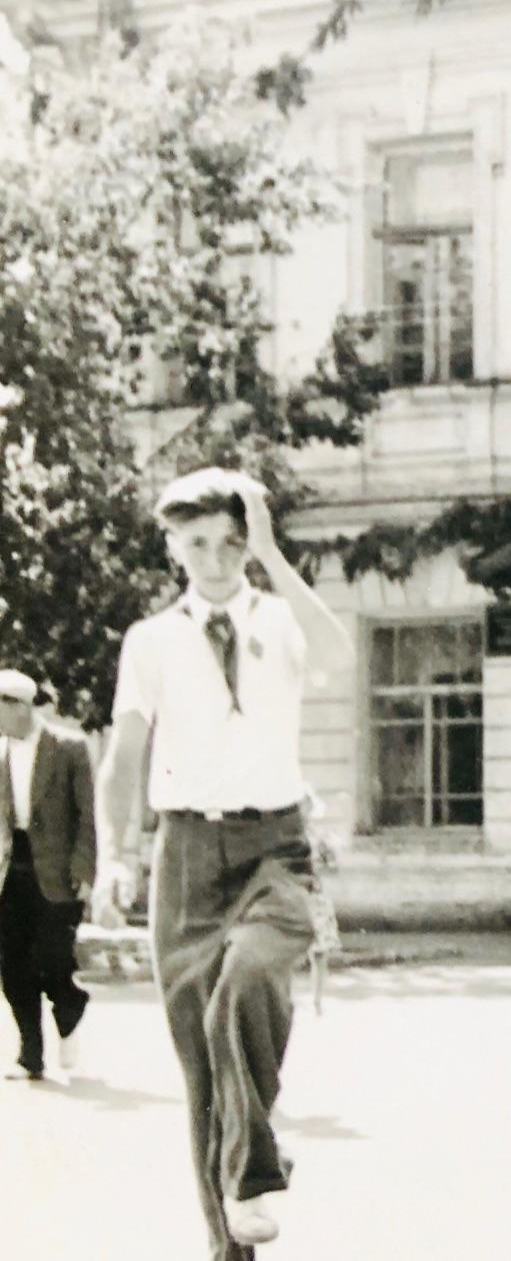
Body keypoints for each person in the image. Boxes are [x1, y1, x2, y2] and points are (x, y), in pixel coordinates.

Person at [94, 467, 353, 1257]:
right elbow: (126, 752)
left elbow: (338, 656)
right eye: (198, 543)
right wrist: (115, 854)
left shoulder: (280, 616)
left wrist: (274, 556)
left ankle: (251, 1168)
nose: (215, 559)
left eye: (232, 542)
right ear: (173, 546)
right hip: (185, 855)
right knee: (204, 1077)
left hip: (276, 848)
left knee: (244, 982)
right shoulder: (152, 639)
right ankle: (229, 1238)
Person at [0, 667, 96, 1082]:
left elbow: (88, 816)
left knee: (52, 959)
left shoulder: (69, 748)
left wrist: (85, 868)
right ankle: (31, 1054)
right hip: (13, 869)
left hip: (58, 872)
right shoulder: (0, 752)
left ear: (19, 707)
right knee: (11, 964)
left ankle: (70, 1009)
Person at [302, 789, 342, 1017]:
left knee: (319, 953)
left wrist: (323, 863)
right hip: (292, 896)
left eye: (306, 807)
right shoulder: (284, 838)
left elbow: (333, 867)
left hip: (315, 899)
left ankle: (316, 1001)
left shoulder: (318, 837)